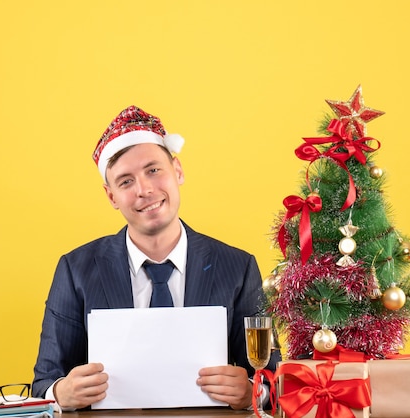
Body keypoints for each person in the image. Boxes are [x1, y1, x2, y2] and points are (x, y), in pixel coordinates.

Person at [31, 105, 280, 411]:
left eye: (153, 170)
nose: (144, 190)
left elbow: (272, 377)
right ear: (111, 196)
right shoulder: (76, 270)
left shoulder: (238, 267)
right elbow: (44, 383)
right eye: (126, 181)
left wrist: (254, 393)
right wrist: (61, 393)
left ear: (177, 171)